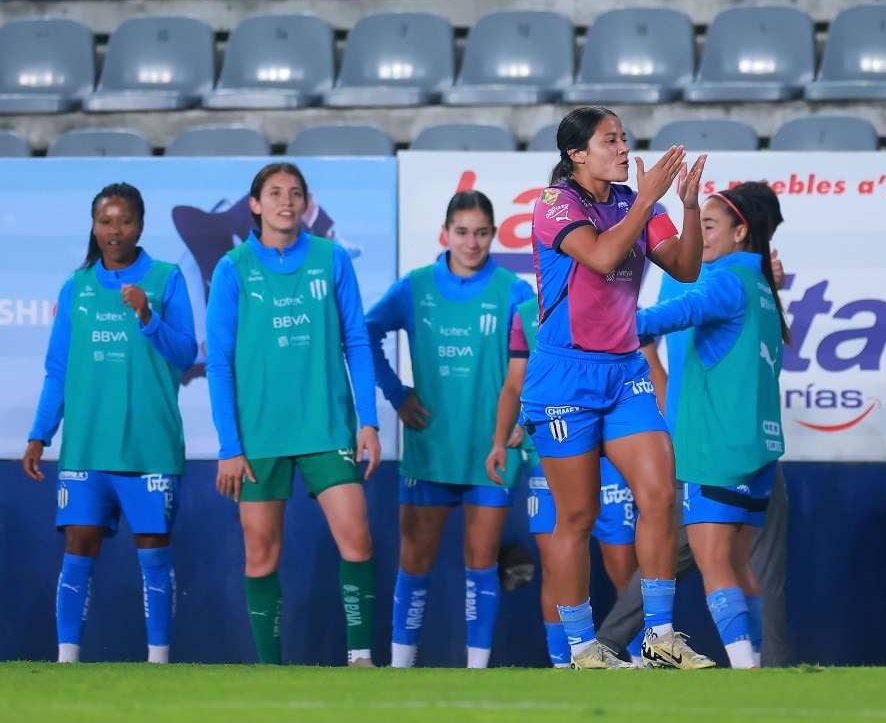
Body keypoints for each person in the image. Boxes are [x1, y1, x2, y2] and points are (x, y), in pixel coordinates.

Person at [520, 105, 714, 669]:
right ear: (577, 154)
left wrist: (689, 205)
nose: (626, 149)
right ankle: (582, 647)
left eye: (625, 139)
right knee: (576, 517)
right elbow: (603, 257)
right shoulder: (556, 204)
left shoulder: (632, 201)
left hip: (625, 369)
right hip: (564, 377)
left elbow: (685, 268)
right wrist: (651, 197)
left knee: (658, 494)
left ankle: (660, 636)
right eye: (612, 141)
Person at [597, 185, 792, 668]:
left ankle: (747, 669)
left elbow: (673, 315)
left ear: (740, 231)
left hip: (711, 446)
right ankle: (757, 666)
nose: (698, 234)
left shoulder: (723, 282)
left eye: (708, 225)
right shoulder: (762, 286)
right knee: (736, 564)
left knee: (713, 561)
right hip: (756, 447)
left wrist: (609, 325)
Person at [206, 163, 381, 667]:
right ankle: (270, 669)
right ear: (255, 204)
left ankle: (361, 658)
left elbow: (356, 342)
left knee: (358, 538)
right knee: (260, 551)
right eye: (275, 193)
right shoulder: (233, 267)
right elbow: (219, 361)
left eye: (296, 193)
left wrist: (367, 420)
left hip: (327, 426)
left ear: (307, 204)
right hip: (258, 434)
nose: (287, 201)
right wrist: (229, 447)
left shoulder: (332, 259)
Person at [23, 183, 197, 664]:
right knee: (77, 549)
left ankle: (158, 661)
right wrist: (40, 434)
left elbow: (185, 355)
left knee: (154, 554)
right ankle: (66, 660)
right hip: (85, 448)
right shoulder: (75, 287)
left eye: (124, 221)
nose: (114, 231)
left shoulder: (166, 279)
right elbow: (58, 370)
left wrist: (147, 315)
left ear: (140, 225)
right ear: (94, 227)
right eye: (105, 222)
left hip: (149, 447)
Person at [366, 191, 533, 669]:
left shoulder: (514, 291)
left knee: (481, 564)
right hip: (430, 446)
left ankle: (476, 671)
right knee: (414, 562)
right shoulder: (415, 287)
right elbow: (365, 332)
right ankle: (400, 668)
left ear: (493, 234)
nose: (472, 242)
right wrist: (397, 395)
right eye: (462, 232)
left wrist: (524, 418)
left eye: (481, 232)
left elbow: (540, 358)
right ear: (445, 234)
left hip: (490, 451)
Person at [485, 297, 648, 667]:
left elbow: (641, 368)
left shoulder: (619, 300)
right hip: (553, 448)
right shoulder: (527, 312)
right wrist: (498, 440)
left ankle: (641, 660)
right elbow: (515, 383)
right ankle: (566, 662)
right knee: (556, 566)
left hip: (608, 450)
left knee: (623, 562)